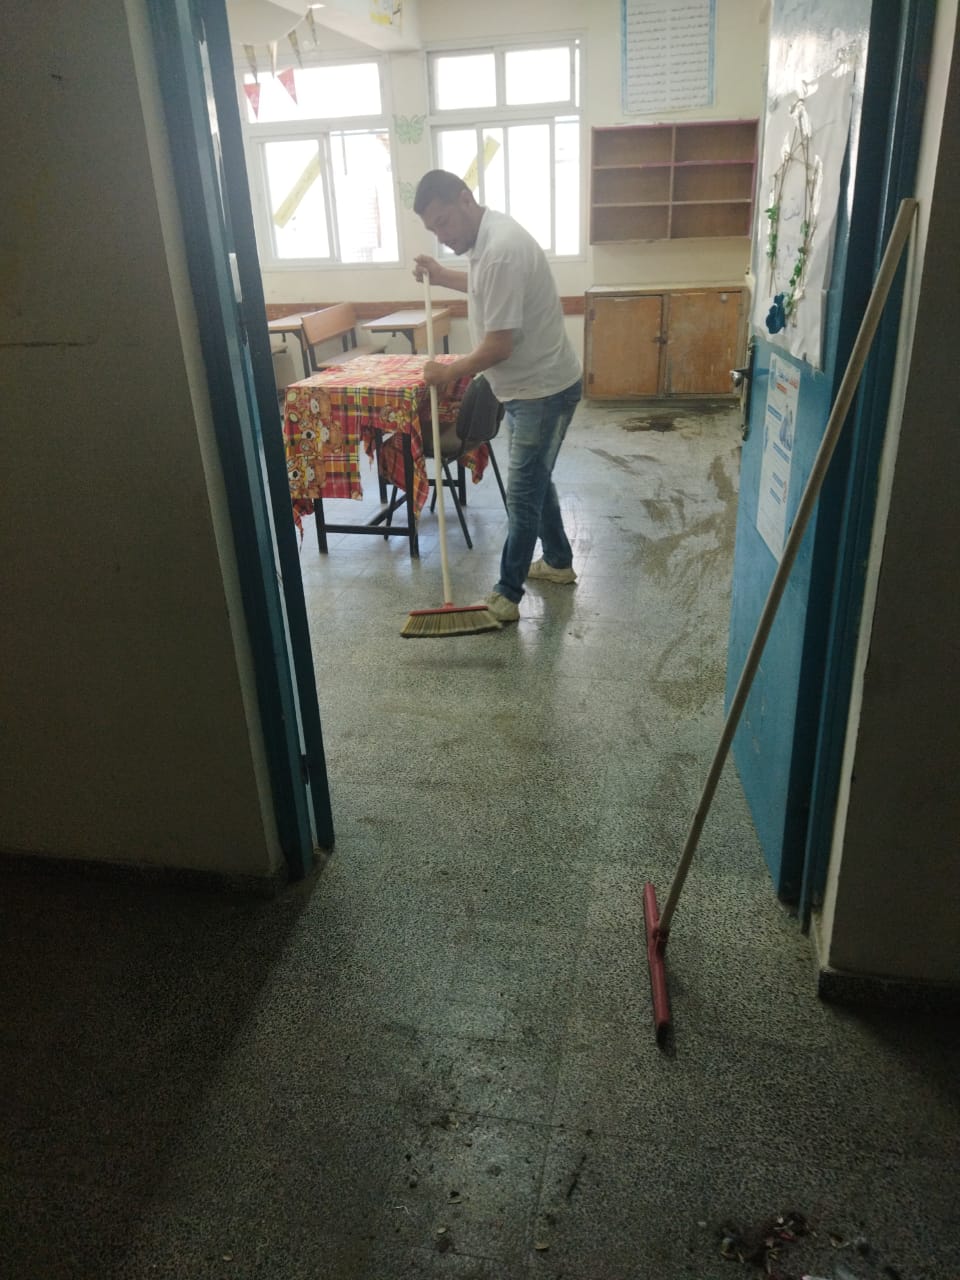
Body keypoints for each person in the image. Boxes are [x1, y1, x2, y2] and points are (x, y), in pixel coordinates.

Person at [412, 170, 582, 626]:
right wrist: (439, 275)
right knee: (535, 478)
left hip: (543, 390)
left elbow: (499, 346)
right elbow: (483, 285)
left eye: (444, 222)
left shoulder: (501, 249)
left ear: (466, 199)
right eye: (433, 229)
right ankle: (559, 561)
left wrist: (448, 371)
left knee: (523, 493)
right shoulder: (486, 242)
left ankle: (507, 594)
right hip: (530, 385)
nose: (443, 236)